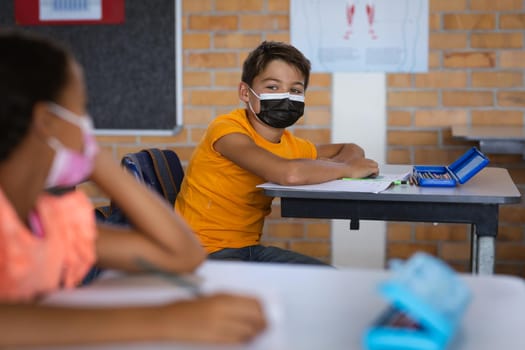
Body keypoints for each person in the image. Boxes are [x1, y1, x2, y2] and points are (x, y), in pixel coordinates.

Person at [0, 30, 266, 346]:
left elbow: (182, 254)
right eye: (80, 111)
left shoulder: (54, 221)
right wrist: (166, 319)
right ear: (47, 122)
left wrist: (98, 160)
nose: (87, 125)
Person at [175, 41, 379, 264]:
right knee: (321, 284)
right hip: (204, 254)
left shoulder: (289, 144)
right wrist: (346, 169)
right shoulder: (227, 131)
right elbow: (289, 174)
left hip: (245, 250)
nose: (285, 96)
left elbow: (350, 148)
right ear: (245, 92)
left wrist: (335, 168)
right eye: (272, 87)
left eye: (295, 90)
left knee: (327, 279)